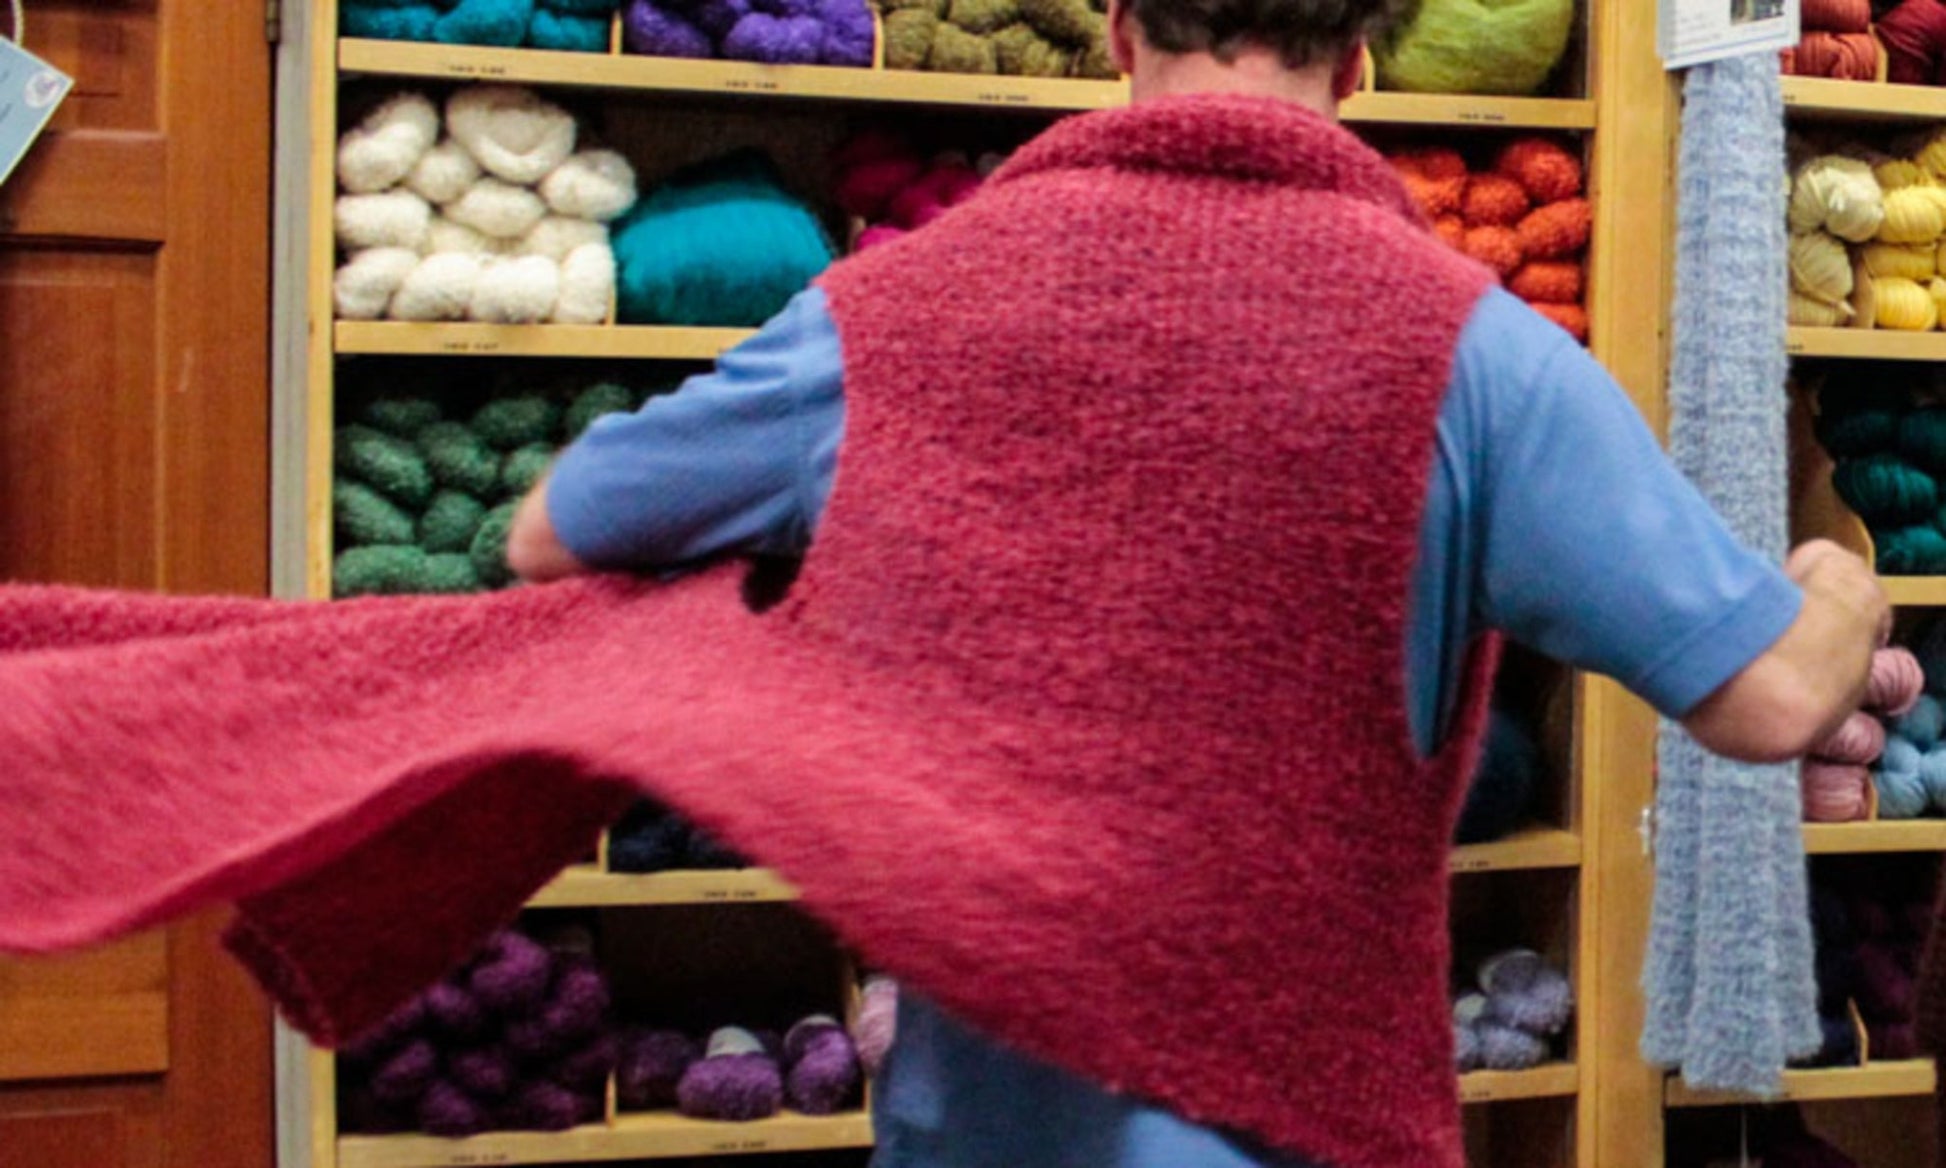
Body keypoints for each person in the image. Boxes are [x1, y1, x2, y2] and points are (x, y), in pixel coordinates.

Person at [500, 1, 1887, 1165]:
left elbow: (559, 531)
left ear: (1117, 29)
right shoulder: (1476, 353)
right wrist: (1839, 590)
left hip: (974, 1123)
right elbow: (1765, 703)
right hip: (1302, 1121)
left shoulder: (894, 310)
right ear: (1356, 58)